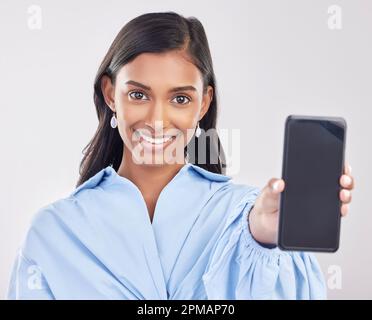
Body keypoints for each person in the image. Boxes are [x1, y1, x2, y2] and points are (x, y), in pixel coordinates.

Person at [7, 12, 355, 300]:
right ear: (111, 94)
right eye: (139, 94)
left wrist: (263, 244)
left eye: (180, 99)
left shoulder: (249, 219)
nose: (158, 121)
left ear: (203, 104)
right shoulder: (54, 234)